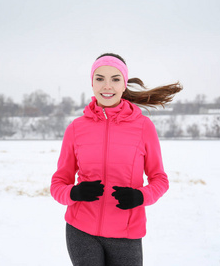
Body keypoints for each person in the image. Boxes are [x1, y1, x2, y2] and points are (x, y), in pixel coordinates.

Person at [50, 53, 182, 266]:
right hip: (81, 231)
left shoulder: (143, 127)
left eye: (115, 79)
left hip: (126, 233)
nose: (107, 86)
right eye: (100, 78)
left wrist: (141, 197)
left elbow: (159, 179)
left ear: (124, 85)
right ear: (92, 83)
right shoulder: (76, 129)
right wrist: (74, 192)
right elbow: (57, 184)